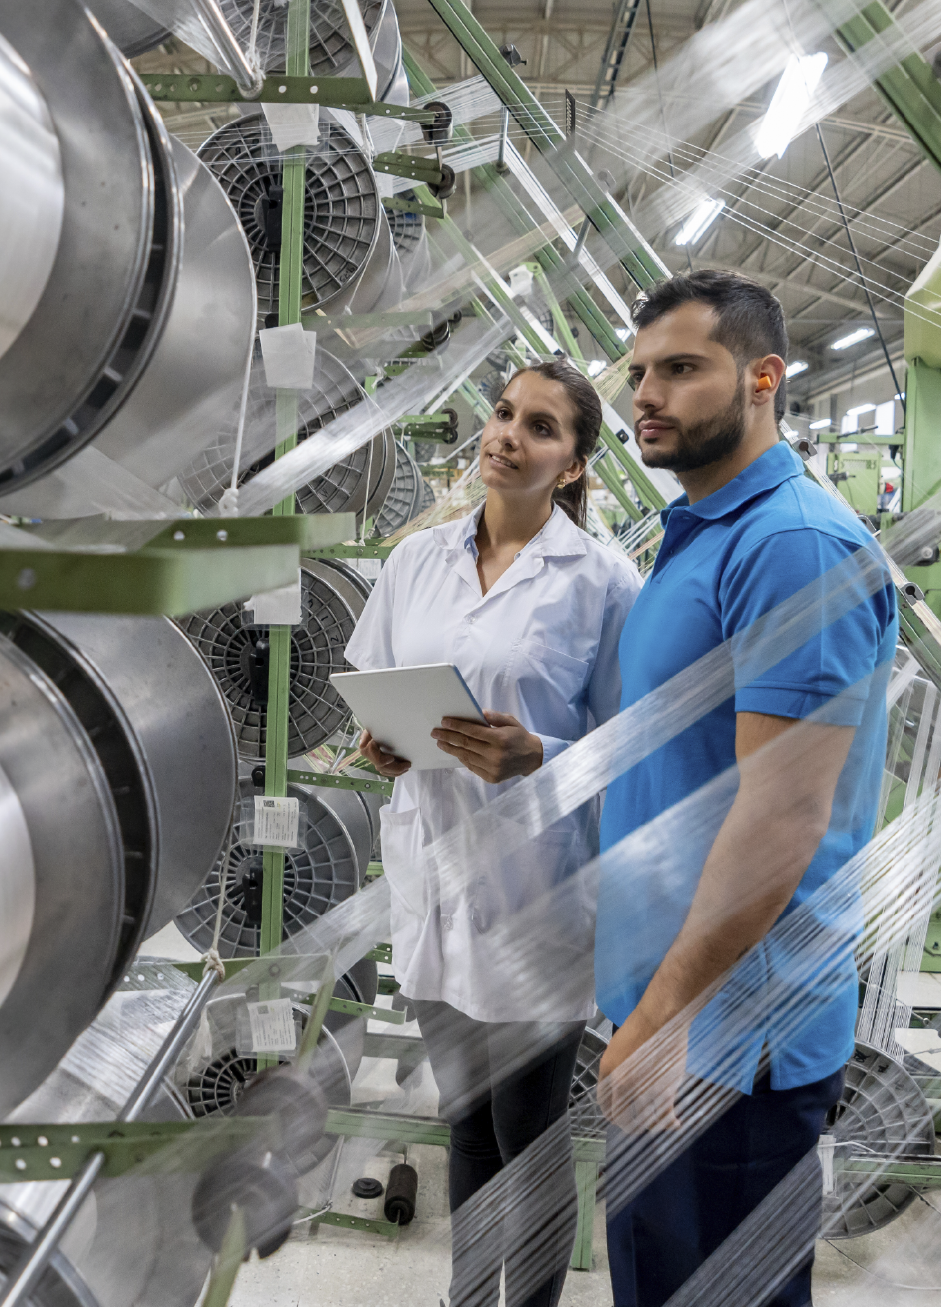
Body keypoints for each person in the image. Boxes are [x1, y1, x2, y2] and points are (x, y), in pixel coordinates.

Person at [594, 271, 899, 1307]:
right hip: (682, 1016)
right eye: (640, 372)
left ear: (762, 378)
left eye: (681, 369)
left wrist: (662, 1018)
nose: (648, 394)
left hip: (731, 1043)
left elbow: (780, 819)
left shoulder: (791, 548)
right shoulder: (699, 534)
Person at [341, 359, 641, 1307]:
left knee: (530, 1135)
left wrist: (541, 753)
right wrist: (383, 747)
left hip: (536, 893)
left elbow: (635, 740)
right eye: (504, 413)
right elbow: (387, 698)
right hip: (432, 879)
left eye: (541, 427)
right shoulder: (414, 562)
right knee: (465, 1122)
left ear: (575, 466)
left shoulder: (600, 581)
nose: (508, 434)